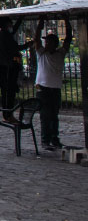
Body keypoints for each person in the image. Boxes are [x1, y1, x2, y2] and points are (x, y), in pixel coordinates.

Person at [34, 18, 72, 149]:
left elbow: (68, 40)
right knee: (45, 115)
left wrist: (66, 22)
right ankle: (45, 140)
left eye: (48, 41)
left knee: (54, 115)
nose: (46, 43)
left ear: (54, 44)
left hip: (55, 89)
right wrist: (40, 23)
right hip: (43, 88)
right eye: (46, 41)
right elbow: (36, 40)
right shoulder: (41, 53)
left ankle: (54, 138)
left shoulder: (60, 53)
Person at [0, 17, 31, 122]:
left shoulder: (1, 33)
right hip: (7, 67)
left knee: (7, 92)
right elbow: (15, 47)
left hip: (4, 66)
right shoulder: (4, 35)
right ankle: (8, 115)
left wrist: (20, 19)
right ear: (7, 25)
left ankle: (7, 114)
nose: (11, 26)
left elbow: (13, 31)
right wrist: (28, 45)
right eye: (10, 24)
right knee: (9, 92)